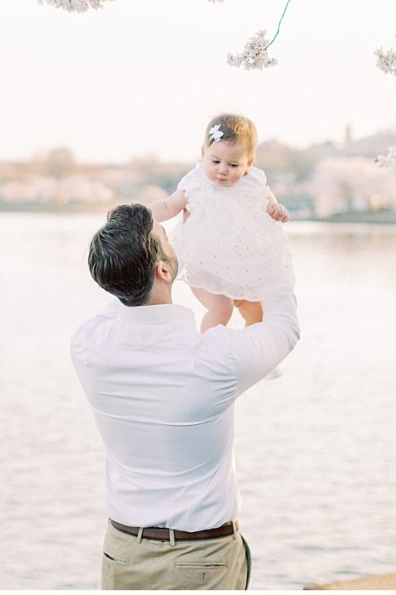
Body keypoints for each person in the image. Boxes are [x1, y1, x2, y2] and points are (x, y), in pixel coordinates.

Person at [70, 202, 299, 590]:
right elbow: (284, 328)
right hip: (200, 559)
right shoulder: (213, 359)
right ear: (163, 270)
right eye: (164, 237)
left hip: (123, 552)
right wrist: (267, 257)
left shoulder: (88, 345)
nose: (170, 236)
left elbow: (125, 291)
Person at [150, 113, 294, 331]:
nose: (222, 170)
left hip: (244, 264)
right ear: (203, 154)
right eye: (215, 161)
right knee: (221, 310)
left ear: (249, 164)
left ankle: (252, 347)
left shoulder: (253, 181)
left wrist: (275, 208)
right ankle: (206, 347)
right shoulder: (196, 183)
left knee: (257, 313)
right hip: (204, 261)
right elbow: (168, 206)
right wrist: (141, 214)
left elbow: (267, 198)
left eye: (233, 165)